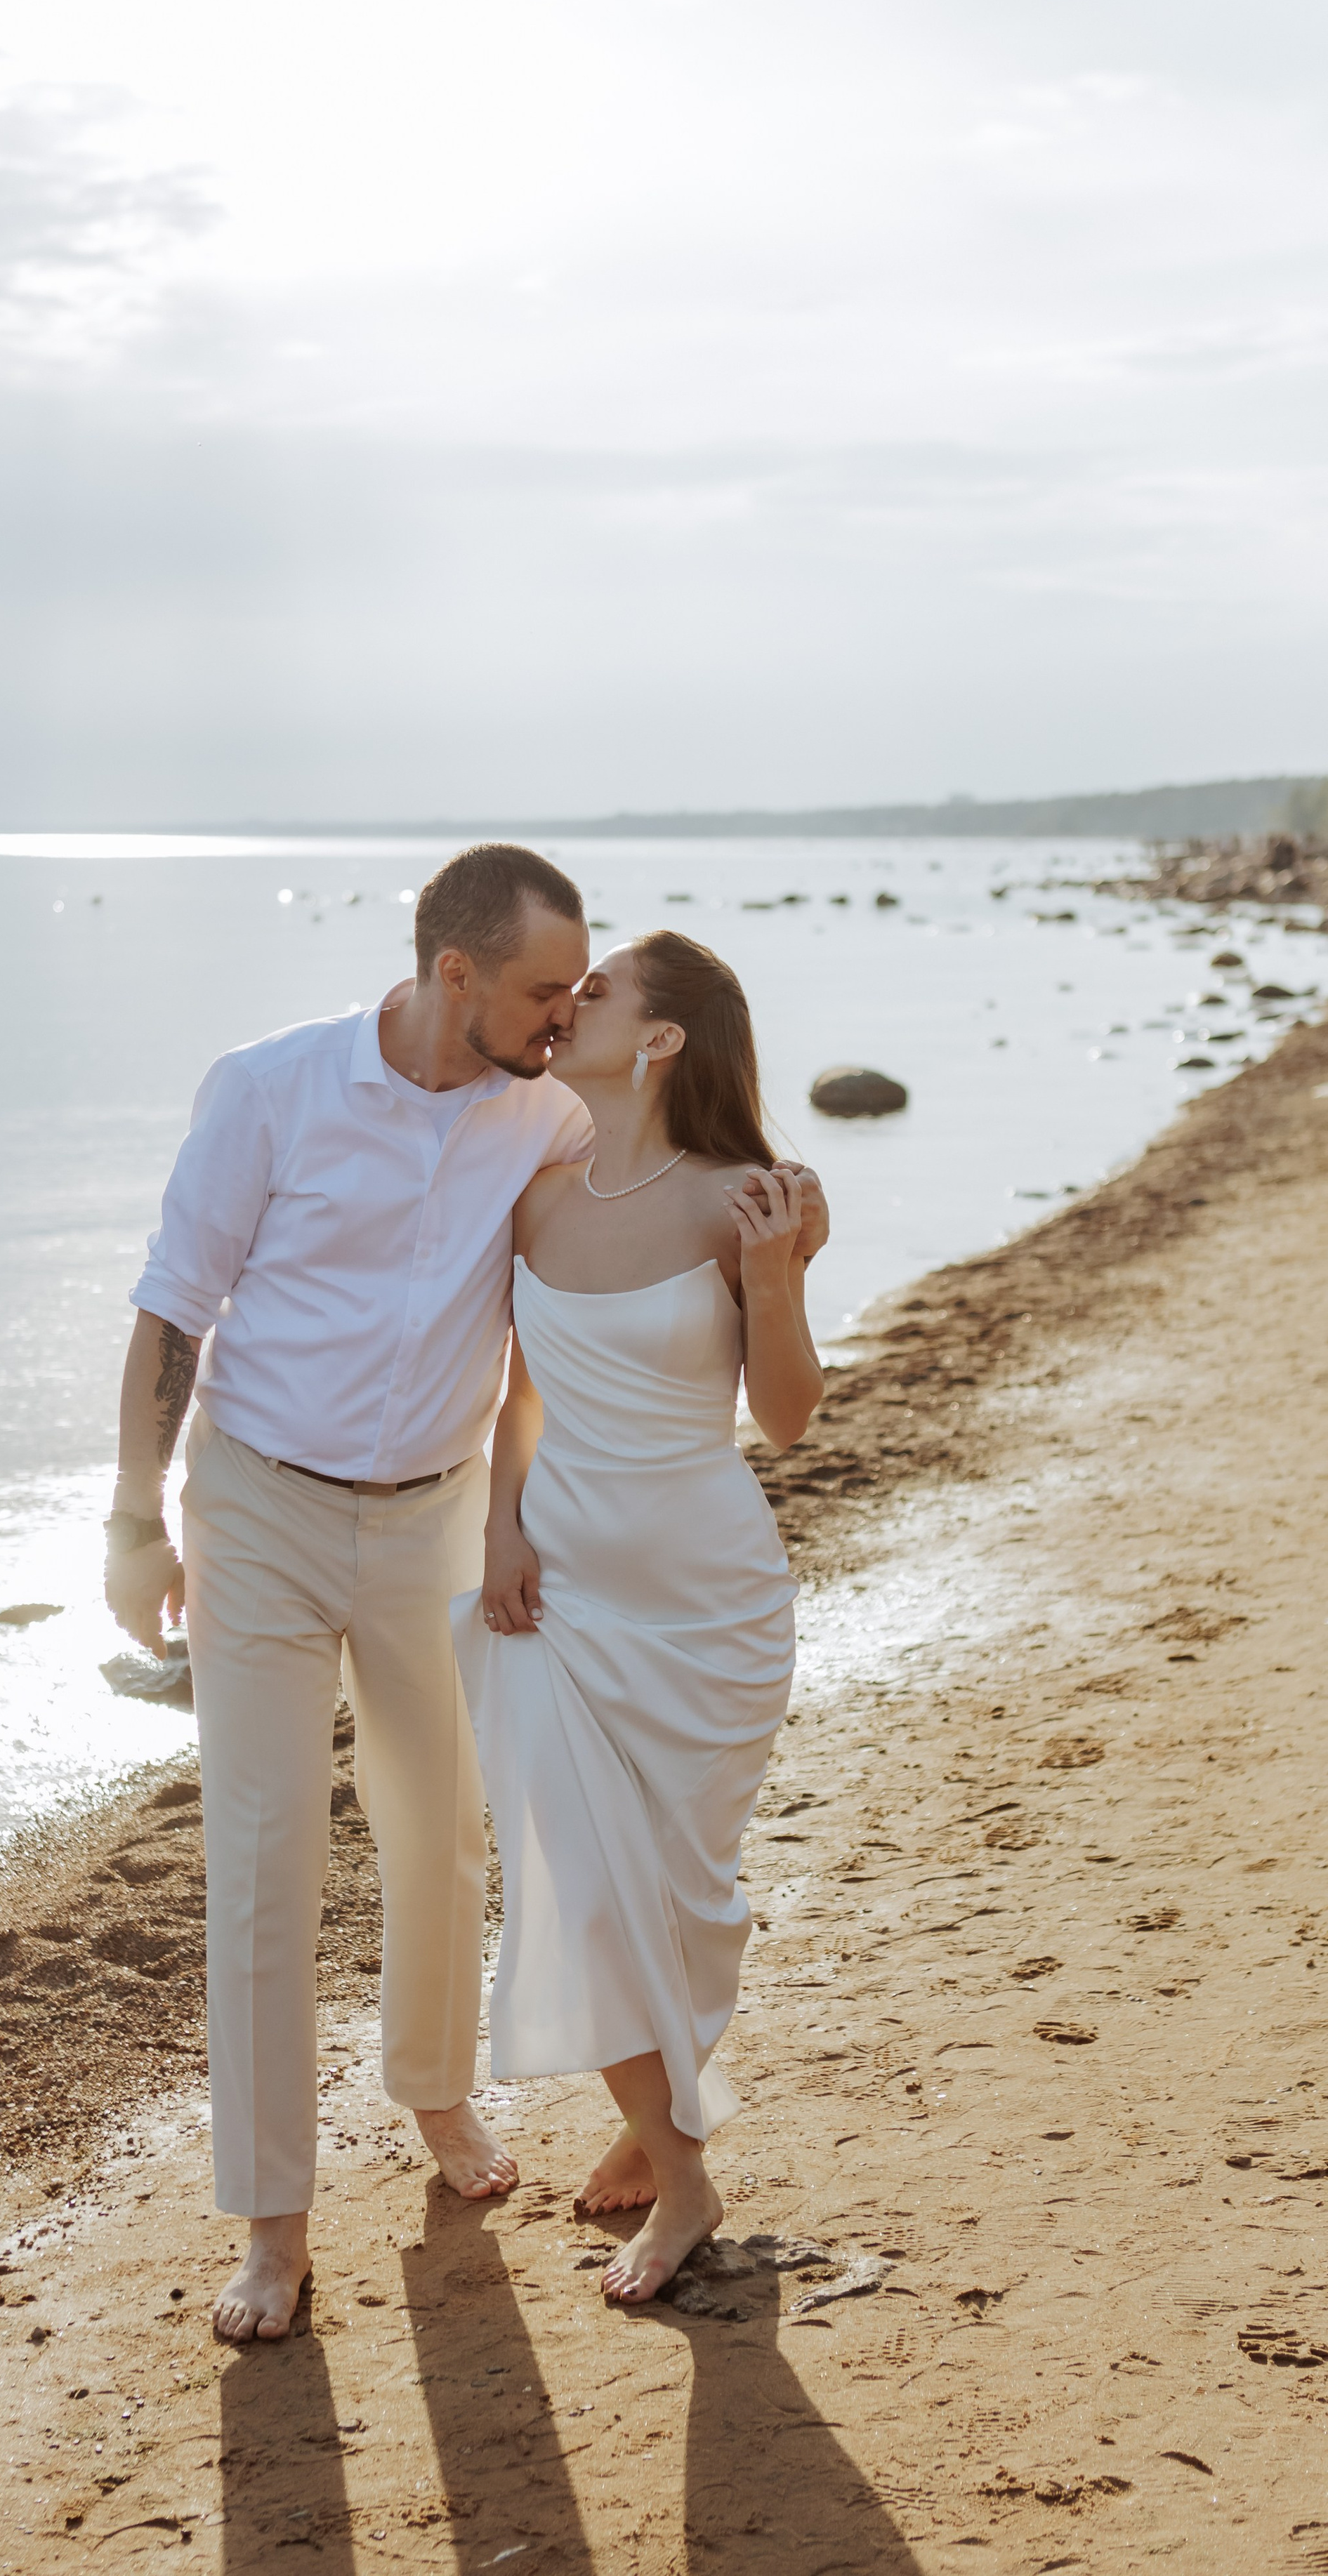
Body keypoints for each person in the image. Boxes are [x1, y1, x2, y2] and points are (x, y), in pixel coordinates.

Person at [104, 843, 594, 2345]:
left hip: (434, 1518)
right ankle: (273, 2222)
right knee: (263, 1860)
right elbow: (174, 1309)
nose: (566, 1015)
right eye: (545, 989)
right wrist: (132, 1521)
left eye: (580, 990)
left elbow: (566, 1303)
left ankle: (436, 2091)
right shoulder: (271, 1089)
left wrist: (513, 1518)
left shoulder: (549, 1113)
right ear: (455, 973)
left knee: (442, 1832)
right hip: (256, 1508)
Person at [452, 928, 824, 2305]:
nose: (570, 1004)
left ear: (661, 1038)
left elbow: (786, 1420)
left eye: (597, 991)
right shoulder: (537, 1201)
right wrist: (498, 1527)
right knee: (589, 1897)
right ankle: (684, 2177)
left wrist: (774, 1279)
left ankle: (654, 2107)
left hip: (708, 1605)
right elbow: (521, 1396)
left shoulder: (751, 1199)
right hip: (558, 1601)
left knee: (686, 1900)